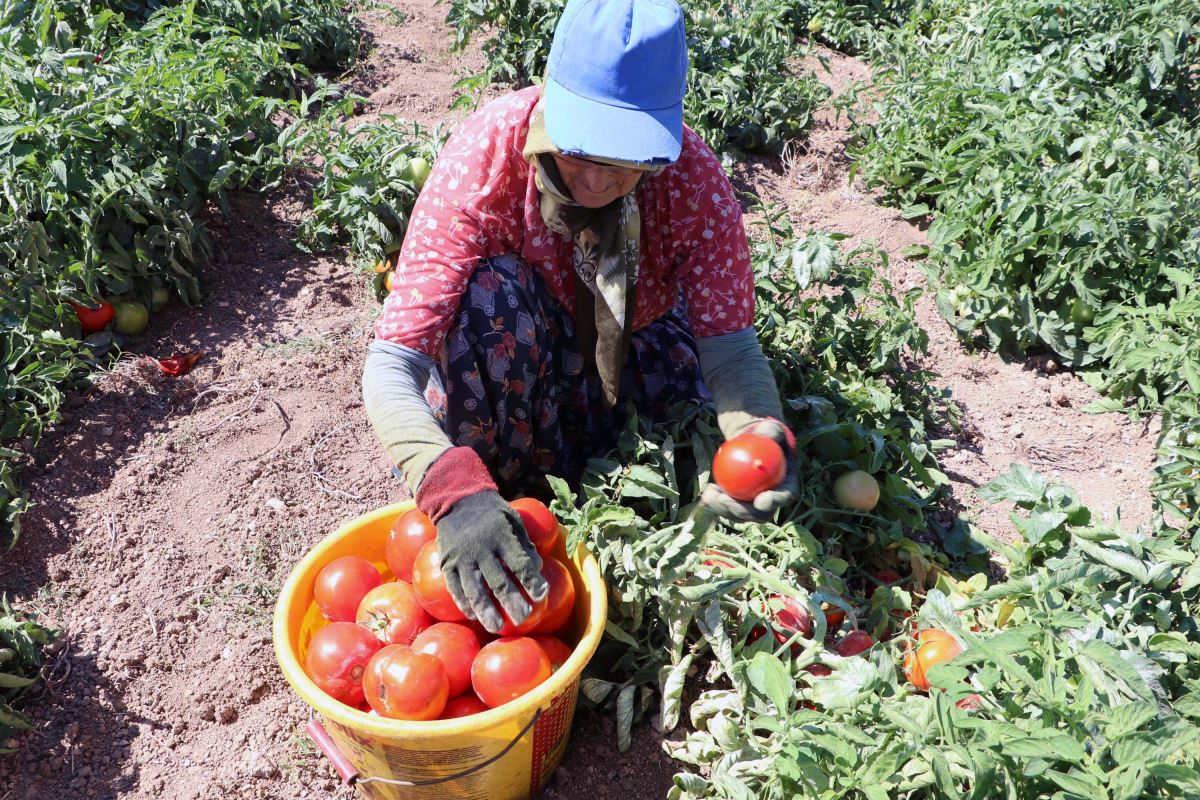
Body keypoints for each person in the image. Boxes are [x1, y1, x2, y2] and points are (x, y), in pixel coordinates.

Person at [363, 0, 797, 633]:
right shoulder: (489, 154)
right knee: (488, 300)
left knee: (690, 452)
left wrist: (762, 436)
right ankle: (506, 494)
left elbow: (730, 352)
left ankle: (604, 466)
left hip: (637, 343)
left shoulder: (693, 181)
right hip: (525, 356)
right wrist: (451, 490)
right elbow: (392, 364)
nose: (594, 181)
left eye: (624, 159)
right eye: (579, 150)